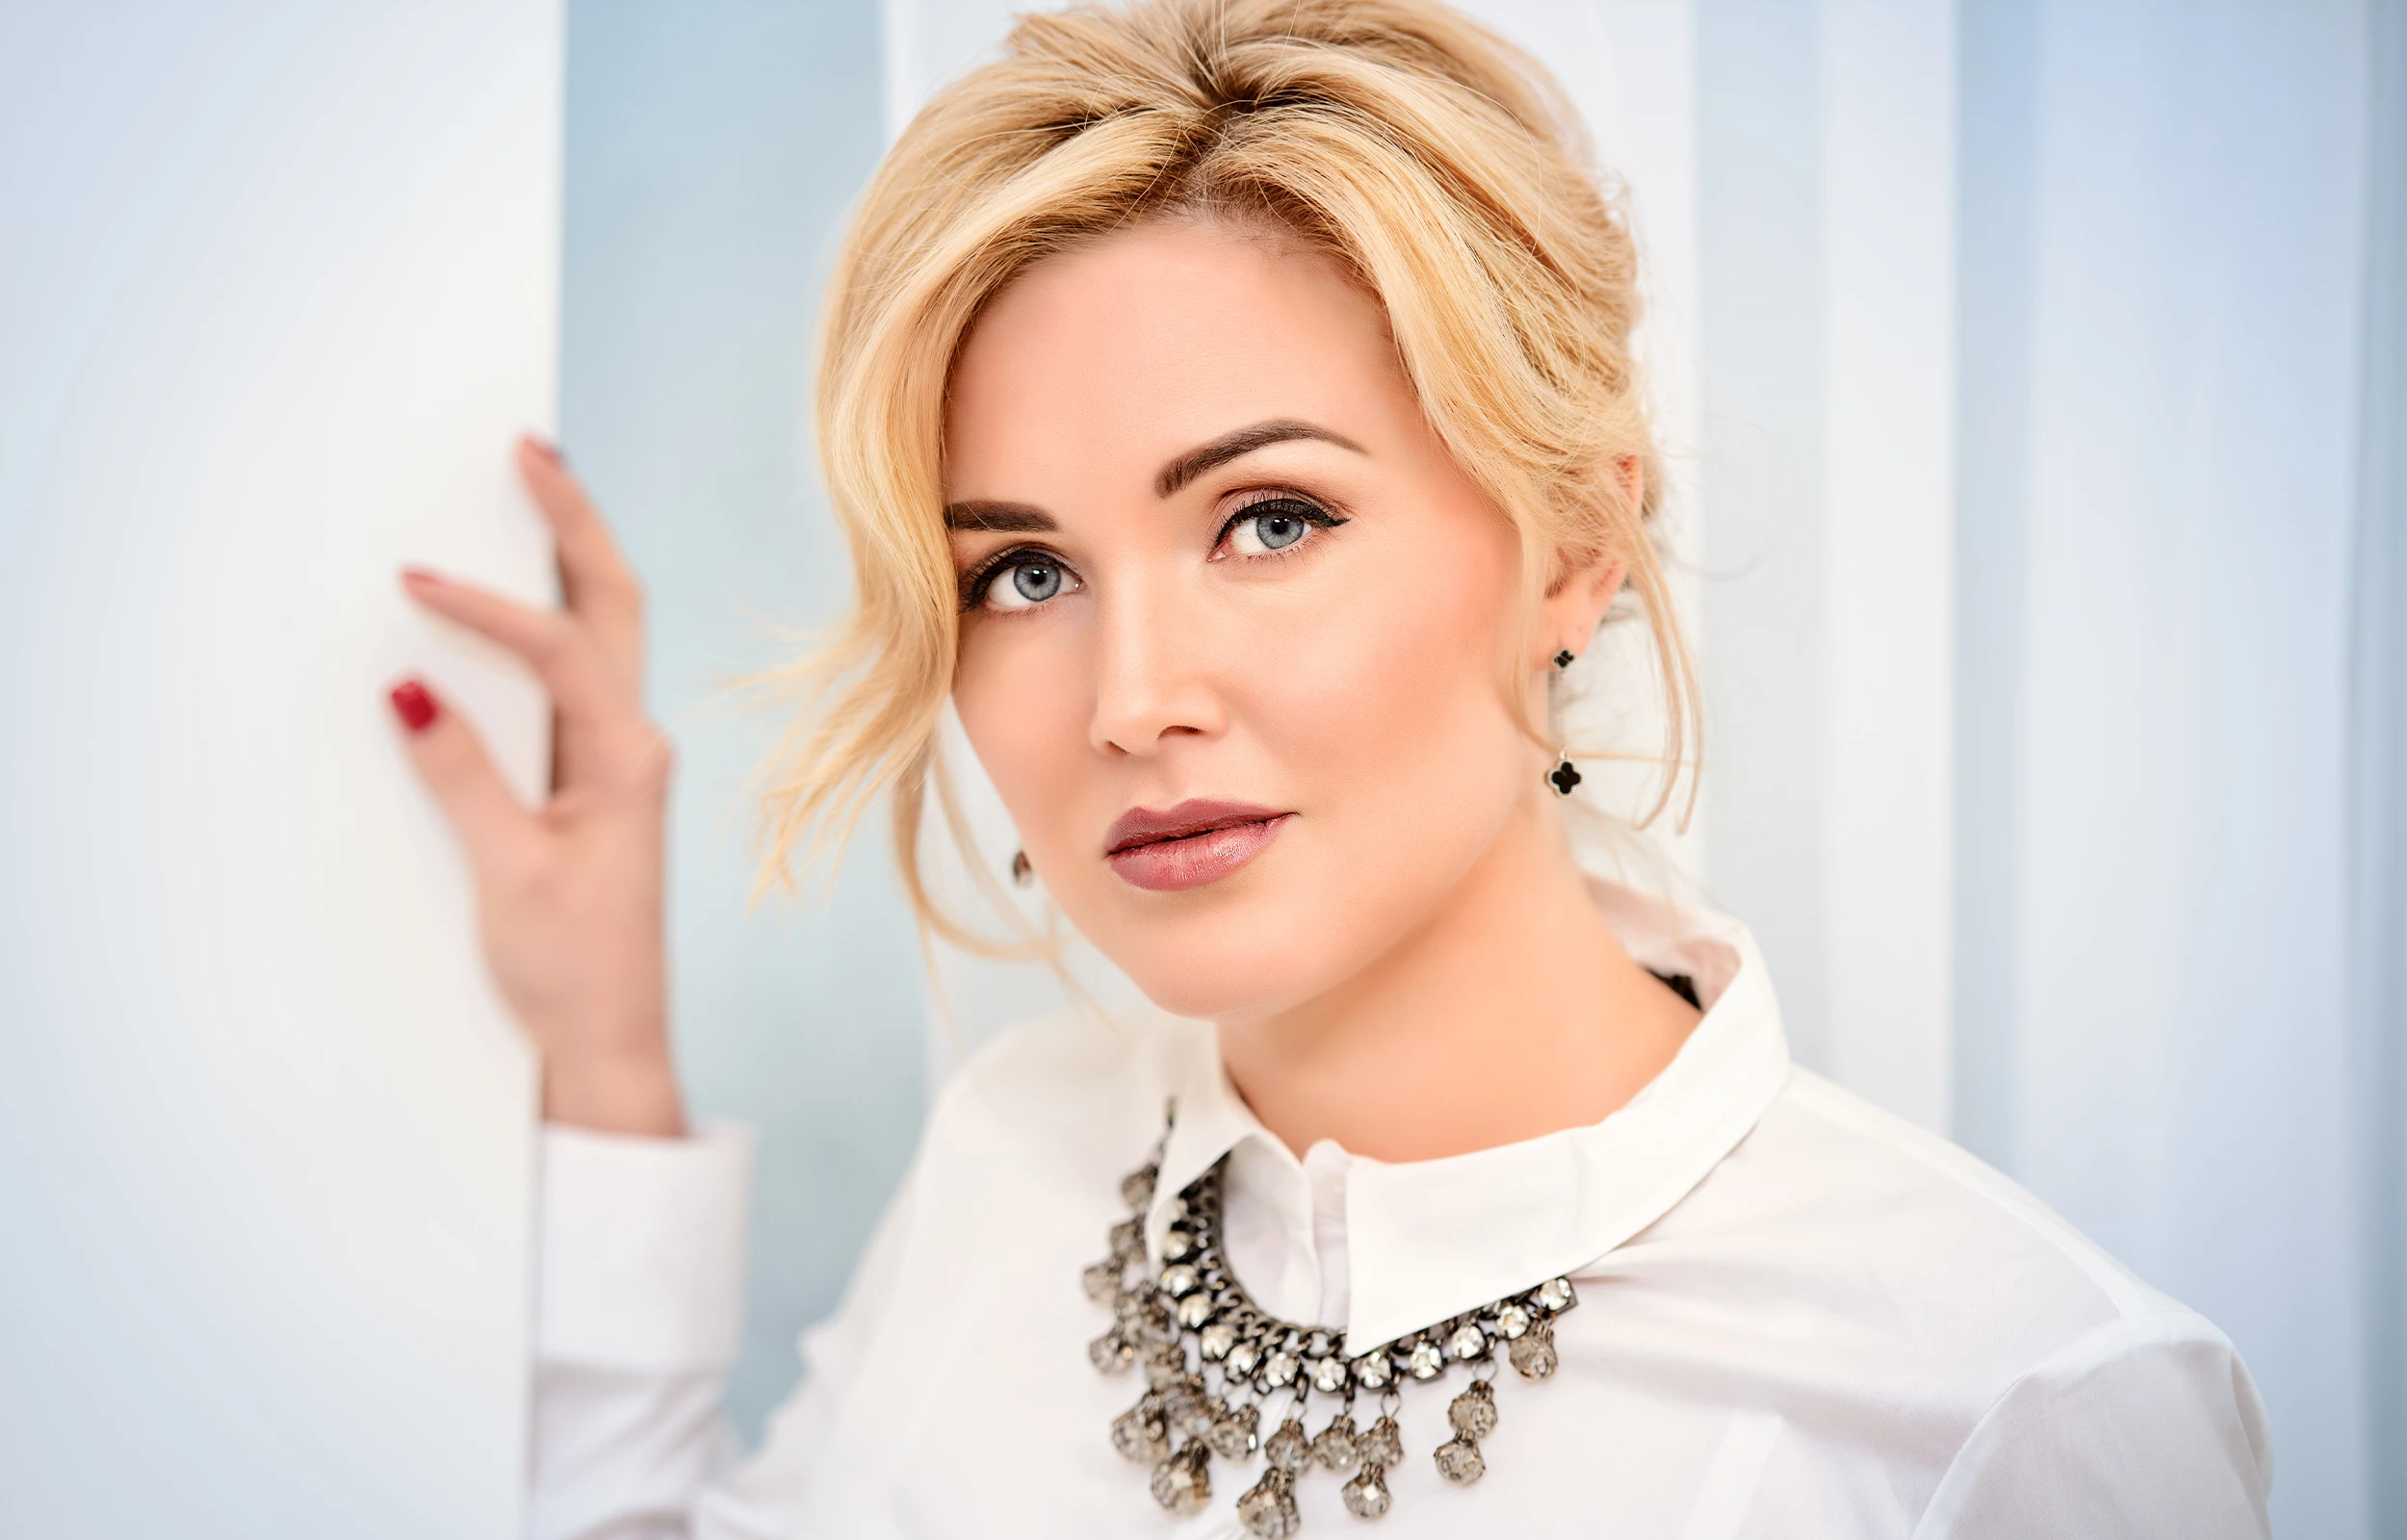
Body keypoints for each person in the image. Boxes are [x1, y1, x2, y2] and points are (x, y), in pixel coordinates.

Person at [387, 1, 2271, 1534]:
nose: (1128, 695)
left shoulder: (2011, 1401)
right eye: (1022, 570)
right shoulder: (1011, 1153)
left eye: (1268, 518)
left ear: (1567, 545)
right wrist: (608, 1051)